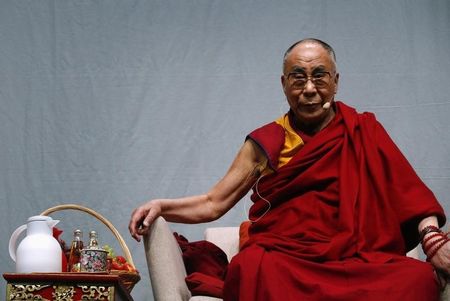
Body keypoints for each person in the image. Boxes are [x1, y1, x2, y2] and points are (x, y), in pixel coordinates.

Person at [129, 38, 449, 300]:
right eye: (298, 77)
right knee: (251, 266)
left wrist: (431, 237)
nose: (309, 88)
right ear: (284, 84)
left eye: (319, 75)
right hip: (291, 260)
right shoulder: (268, 141)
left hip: (355, 260)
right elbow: (214, 202)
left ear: (336, 82)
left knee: (416, 279)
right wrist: (161, 206)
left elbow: (410, 193)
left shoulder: (362, 130)